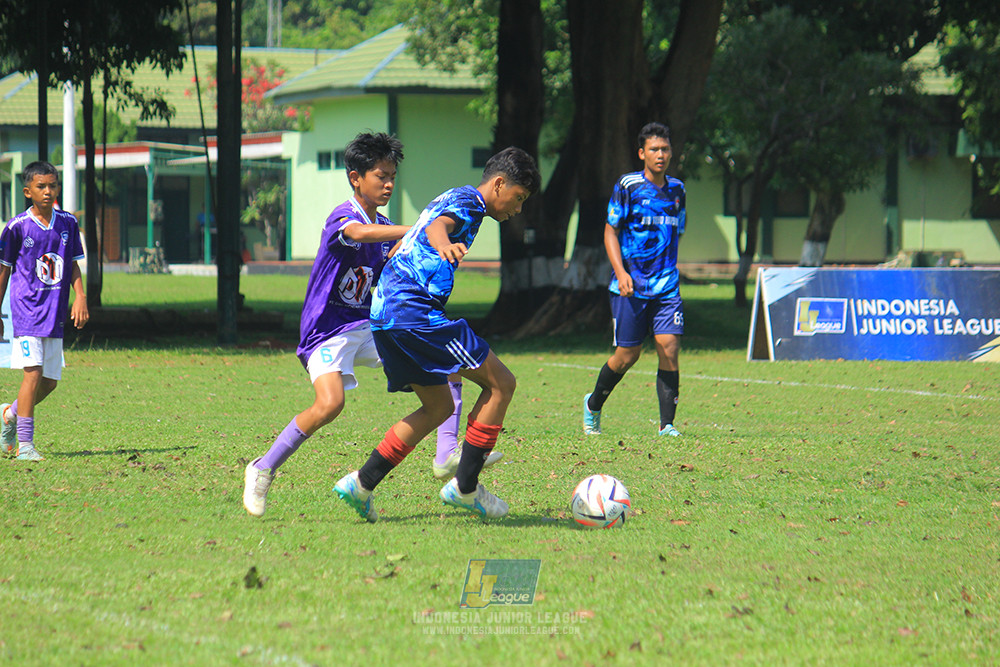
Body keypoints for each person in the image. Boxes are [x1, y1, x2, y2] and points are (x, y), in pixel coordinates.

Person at [333, 146, 541, 522]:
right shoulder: (468, 202)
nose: (518, 209)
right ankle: (464, 488)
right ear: (498, 184)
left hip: (385, 316)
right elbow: (436, 226)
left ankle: (361, 483)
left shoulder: (452, 195)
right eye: (519, 197)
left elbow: (415, 235)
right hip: (415, 313)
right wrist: (443, 243)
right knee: (501, 385)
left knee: (439, 407)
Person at [242, 132, 411, 517]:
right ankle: (262, 468)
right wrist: (411, 230)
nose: (388, 184)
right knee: (331, 403)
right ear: (356, 178)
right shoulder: (344, 215)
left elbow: (396, 260)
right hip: (326, 331)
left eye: (392, 177)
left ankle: (446, 459)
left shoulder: (385, 227)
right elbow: (358, 234)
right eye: (380, 176)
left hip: (367, 328)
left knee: (435, 367)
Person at [583, 122, 685, 437]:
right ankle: (593, 404)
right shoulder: (628, 185)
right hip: (630, 287)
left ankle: (667, 425)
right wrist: (622, 272)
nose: (661, 154)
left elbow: (677, 232)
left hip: (667, 286)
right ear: (642, 153)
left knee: (669, 347)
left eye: (665, 149)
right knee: (627, 355)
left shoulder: (678, 189)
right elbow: (610, 231)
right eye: (654, 149)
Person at [0, 161, 89, 461]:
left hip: (54, 313)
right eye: (41, 186)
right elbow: (4, 272)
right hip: (26, 312)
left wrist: (80, 297)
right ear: (28, 191)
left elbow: (72, 263)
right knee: (33, 373)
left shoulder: (68, 223)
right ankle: (25, 446)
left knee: (49, 382)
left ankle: (9, 414)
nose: (48, 191)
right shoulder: (16, 228)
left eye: (52, 185)